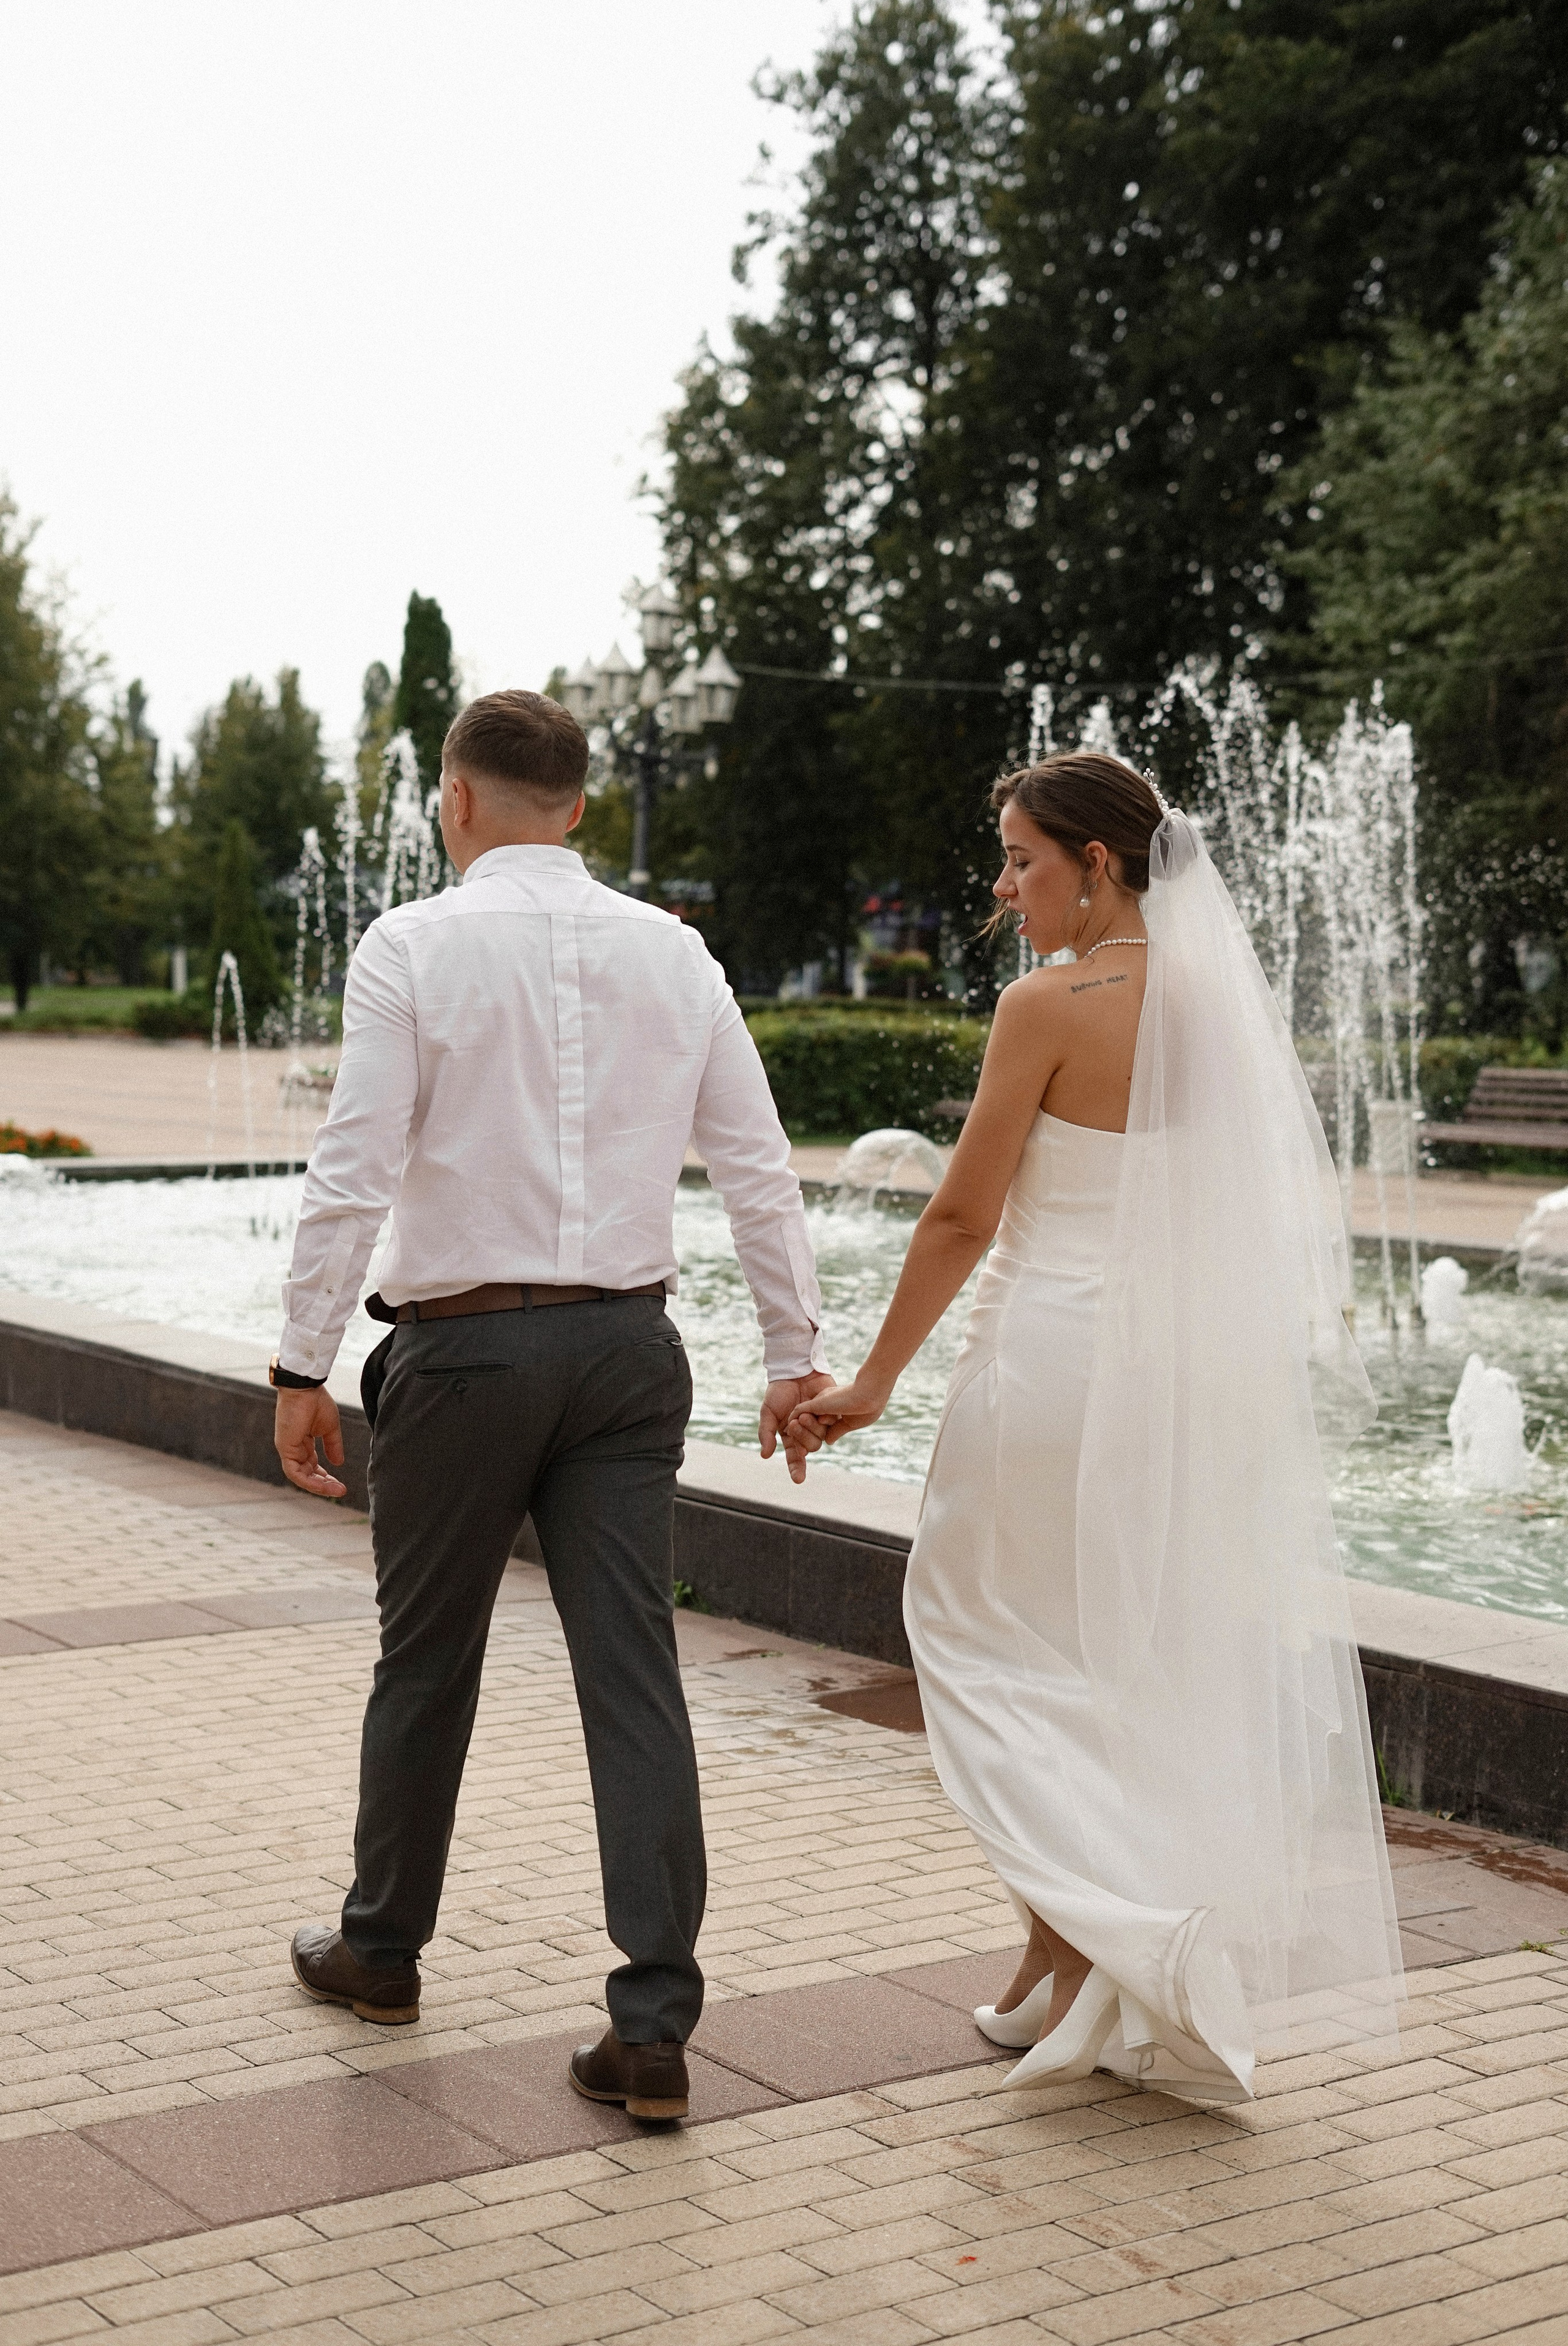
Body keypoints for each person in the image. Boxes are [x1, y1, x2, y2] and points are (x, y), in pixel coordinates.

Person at [789, 752, 1403, 2103]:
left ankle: (1123, 1931)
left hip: (1049, 1369)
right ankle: (1056, 1959)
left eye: (1022, 860)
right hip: (1172, 1386)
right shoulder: (1219, 1012)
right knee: (1107, 1656)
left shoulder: (1048, 1005)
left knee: (977, 1640)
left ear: (1101, 863)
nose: (1005, 889)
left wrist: (874, 1380)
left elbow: (961, 1215)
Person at [270, 688, 829, 2122]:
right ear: (577, 805)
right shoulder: (676, 952)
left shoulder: (410, 943)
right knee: (631, 1676)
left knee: (427, 1662)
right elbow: (757, 1171)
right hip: (628, 1359)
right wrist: (790, 1354)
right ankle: (651, 2027)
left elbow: (353, 1167)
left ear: (455, 800)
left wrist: (300, 1362)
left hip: (463, 1361)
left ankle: (381, 1952)